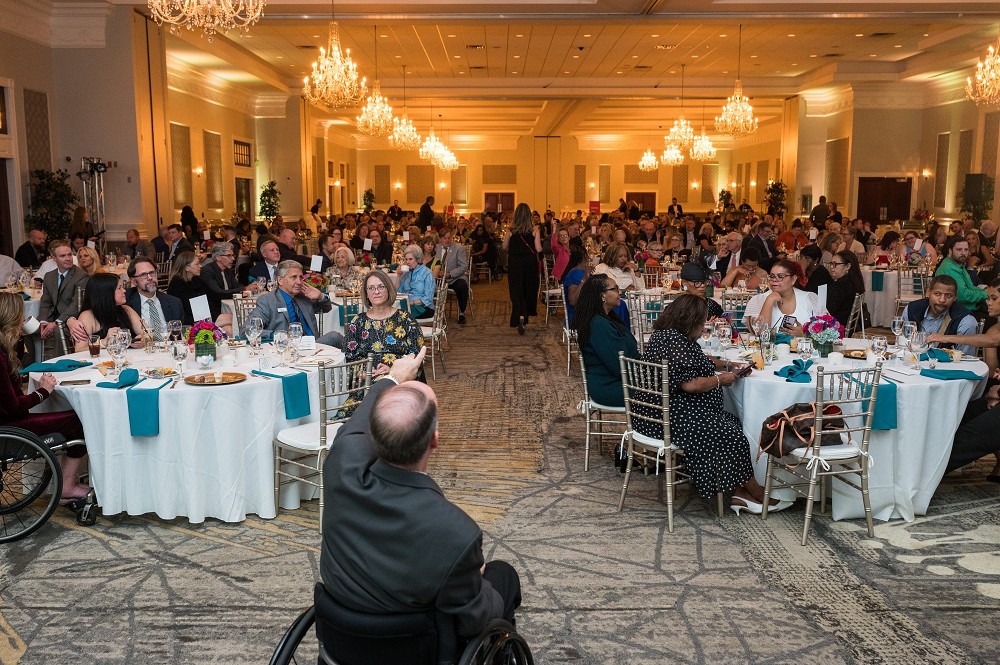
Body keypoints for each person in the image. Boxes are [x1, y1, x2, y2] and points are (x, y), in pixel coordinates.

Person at [319, 347, 520, 649]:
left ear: (372, 436)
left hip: (341, 638)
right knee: (504, 576)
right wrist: (475, 577)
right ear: (434, 441)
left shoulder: (340, 467)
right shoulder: (456, 532)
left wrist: (392, 378)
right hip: (416, 648)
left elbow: (356, 424)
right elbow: (476, 618)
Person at [637, 294, 787, 514]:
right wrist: (721, 379)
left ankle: (739, 490)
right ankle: (753, 490)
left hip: (661, 411)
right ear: (691, 321)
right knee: (731, 433)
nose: (704, 326)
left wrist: (726, 363)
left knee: (733, 422)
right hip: (671, 418)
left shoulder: (666, 336)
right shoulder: (674, 342)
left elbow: (699, 359)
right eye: (703, 321)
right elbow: (689, 385)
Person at [0, 292, 91, 501]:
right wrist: (43, 392)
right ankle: (67, 487)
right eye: (20, 316)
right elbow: (13, 406)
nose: (24, 320)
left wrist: (17, 341)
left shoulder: (4, 347)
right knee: (78, 420)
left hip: (7, 421)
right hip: (9, 426)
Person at [344, 270, 424, 381]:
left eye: (381, 287)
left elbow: (416, 355)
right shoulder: (358, 322)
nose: (376, 291)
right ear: (366, 294)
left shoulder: (406, 319)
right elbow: (349, 359)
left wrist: (393, 369)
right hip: (366, 383)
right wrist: (362, 373)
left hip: (399, 380)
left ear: (388, 290)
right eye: (371, 288)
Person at [572, 274, 637, 407]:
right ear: (602, 295)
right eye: (614, 289)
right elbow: (619, 365)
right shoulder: (598, 324)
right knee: (670, 391)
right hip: (611, 386)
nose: (619, 292)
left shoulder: (607, 318)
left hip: (622, 380)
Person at [248, 260, 343, 348]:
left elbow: (326, 309)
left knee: (335, 337)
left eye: (301, 277)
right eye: (294, 277)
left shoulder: (303, 297)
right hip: (286, 348)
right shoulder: (267, 300)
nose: (299, 282)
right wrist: (281, 335)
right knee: (334, 336)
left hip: (312, 345)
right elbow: (247, 330)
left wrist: (320, 296)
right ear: (280, 280)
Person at [743, 259, 823, 335]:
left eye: (780, 276)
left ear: (793, 279)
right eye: (772, 276)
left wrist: (804, 334)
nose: (774, 280)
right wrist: (769, 301)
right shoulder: (757, 300)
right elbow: (759, 334)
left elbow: (828, 331)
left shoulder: (811, 298)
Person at [904, 274, 977, 356]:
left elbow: (965, 358)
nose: (942, 300)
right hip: (914, 361)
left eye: (948, 295)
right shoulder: (912, 309)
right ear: (928, 293)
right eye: (937, 294)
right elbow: (903, 344)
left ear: (955, 297)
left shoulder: (965, 320)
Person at [69, 273, 145, 351]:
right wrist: (104, 342)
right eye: (119, 288)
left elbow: (146, 333)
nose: (124, 290)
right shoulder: (87, 316)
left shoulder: (126, 310)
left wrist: (143, 340)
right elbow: (79, 350)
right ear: (106, 293)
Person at [166, 252, 234, 332]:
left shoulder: (195, 279)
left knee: (229, 328)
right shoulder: (177, 284)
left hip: (203, 314)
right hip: (191, 321)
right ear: (187, 267)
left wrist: (239, 293)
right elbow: (189, 309)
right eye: (197, 264)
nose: (200, 266)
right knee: (233, 318)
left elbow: (214, 295)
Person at [36, 240, 89, 342]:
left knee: (56, 331)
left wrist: (56, 322)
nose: (68, 258)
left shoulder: (81, 276)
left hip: (69, 319)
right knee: (28, 330)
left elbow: (76, 305)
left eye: (69, 255)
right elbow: (45, 302)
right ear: (54, 258)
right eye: (63, 256)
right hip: (51, 317)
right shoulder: (49, 276)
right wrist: (43, 321)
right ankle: (36, 358)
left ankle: (58, 358)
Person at [503, 203, 542, 334]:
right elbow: (538, 249)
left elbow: (504, 247)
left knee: (516, 289)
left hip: (515, 262)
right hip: (530, 262)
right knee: (528, 288)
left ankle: (519, 315)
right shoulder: (534, 229)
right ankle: (524, 316)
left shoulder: (510, 230)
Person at [124, 256, 185, 337]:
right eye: (143, 275)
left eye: (152, 273)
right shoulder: (126, 301)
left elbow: (181, 336)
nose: (150, 278)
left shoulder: (174, 303)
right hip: (142, 349)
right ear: (134, 281)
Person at [935, 235, 988, 314]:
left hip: (965, 309)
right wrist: (985, 294)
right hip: (960, 312)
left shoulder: (957, 264)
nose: (963, 253)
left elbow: (970, 287)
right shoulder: (949, 268)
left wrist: (985, 291)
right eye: (959, 250)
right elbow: (963, 296)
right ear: (950, 251)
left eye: (966, 250)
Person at [825, 250, 865, 330]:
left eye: (835, 264)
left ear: (848, 266)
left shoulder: (842, 285)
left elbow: (827, 310)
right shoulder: (854, 281)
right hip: (849, 326)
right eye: (831, 264)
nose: (832, 267)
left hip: (836, 328)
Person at [396, 245, 436, 319]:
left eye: (410, 259)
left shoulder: (427, 273)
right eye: (406, 259)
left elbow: (428, 298)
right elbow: (398, 292)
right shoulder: (406, 273)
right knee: (393, 311)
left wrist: (411, 303)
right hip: (408, 306)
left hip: (424, 308)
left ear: (418, 259)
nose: (407, 262)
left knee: (400, 315)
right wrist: (398, 276)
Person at [439, 230, 470, 325]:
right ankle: (434, 313)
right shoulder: (435, 249)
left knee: (462, 286)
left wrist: (449, 274)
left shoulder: (458, 248)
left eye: (449, 238)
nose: (447, 240)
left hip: (455, 278)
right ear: (440, 239)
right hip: (438, 279)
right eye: (445, 238)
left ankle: (461, 313)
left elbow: (463, 266)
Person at [562, 245, 590, 325]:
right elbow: (573, 300)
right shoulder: (575, 274)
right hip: (579, 316)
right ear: (584, 257)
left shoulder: (579, 271)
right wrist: (584, 279)